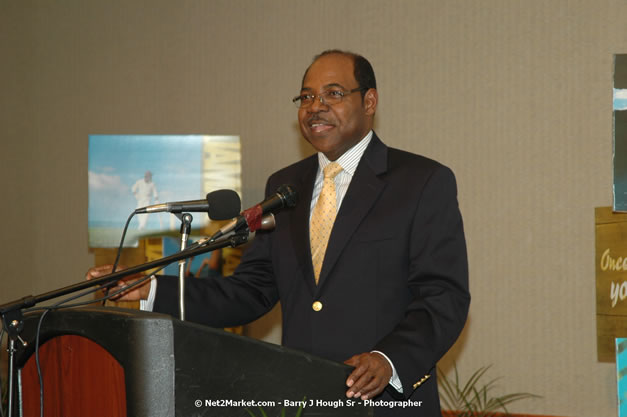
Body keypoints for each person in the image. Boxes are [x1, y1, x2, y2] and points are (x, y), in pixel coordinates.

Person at [88, 50, 470, 416]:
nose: (316, 106)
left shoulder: (420, 182)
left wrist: (389, 358)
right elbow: (250, 291)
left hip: (383, 404)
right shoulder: (286, 186)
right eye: (306, 97)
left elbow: (443, 296)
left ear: (369, 101)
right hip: (301, 400)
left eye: (333, 94)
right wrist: (152, 289)